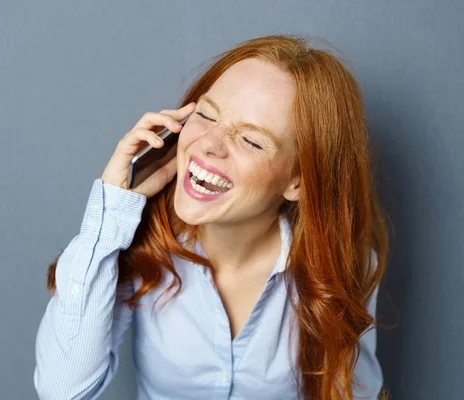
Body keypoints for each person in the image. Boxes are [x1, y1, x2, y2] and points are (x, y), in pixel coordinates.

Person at [33, 34, 389, 400]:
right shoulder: (144, 244)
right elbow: (61, 391)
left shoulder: (343, 265)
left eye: (250, 140)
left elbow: (351, 391)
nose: (207, 145)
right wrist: (110, 213)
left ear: (298, 181)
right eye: (205, 114)